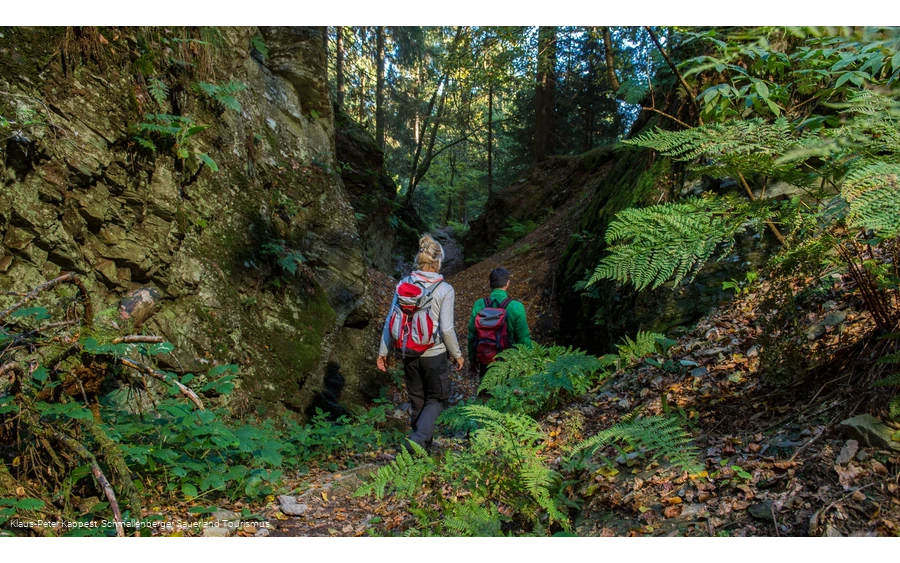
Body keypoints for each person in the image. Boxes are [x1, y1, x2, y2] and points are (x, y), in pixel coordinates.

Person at [377, 234, 465, 451]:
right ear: (438, 262)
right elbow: (446, 328)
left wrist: (383, 352)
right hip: (433, 353)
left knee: (417, 400)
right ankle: (418, 439)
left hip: (407, 352)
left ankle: (419, 450)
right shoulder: (444, 289)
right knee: (437, 399)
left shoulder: (403, 284)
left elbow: (391, 320)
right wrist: (457, 353)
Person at [467, 267, 532, 381]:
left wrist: (473, 359)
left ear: (489, 284)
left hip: (486, 359)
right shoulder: (516, 307)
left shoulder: (479, 304)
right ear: (508, 283)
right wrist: (529, 362)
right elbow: (523, 339)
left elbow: (472, 335)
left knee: (485, 391)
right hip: (509, 362)